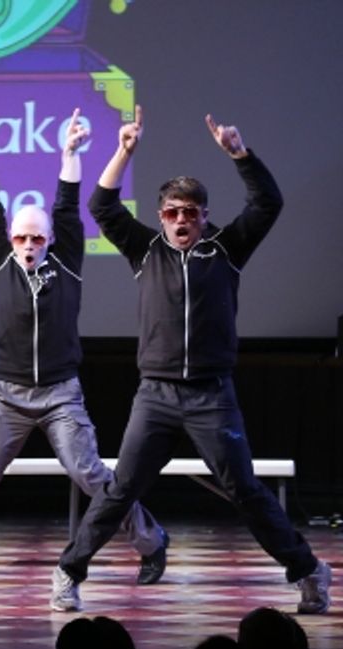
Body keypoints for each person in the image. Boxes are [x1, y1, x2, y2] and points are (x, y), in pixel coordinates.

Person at [51, 105, 331, 613]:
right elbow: (102, 206)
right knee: (119, 490)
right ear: (161, 217)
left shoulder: (227, 248)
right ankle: (69, 573)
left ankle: (309, 570)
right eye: (173, 212)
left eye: (192, 212)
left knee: (244, 491)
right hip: (155, 396)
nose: (182, 220)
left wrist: (239, 154)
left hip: (211, 395)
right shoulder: (146, 250)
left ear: (204, 216)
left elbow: (268, 202)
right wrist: (124, 150)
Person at [0, 108, 169, 585]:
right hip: (4, 396)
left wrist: (70, 153)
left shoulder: (66, 261)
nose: (28, 244)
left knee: (92, 475)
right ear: (10, 240)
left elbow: (67, 205)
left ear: (49, 241)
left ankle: (153, 543)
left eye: (36, 238)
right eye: (20, 237)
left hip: (59, 395)